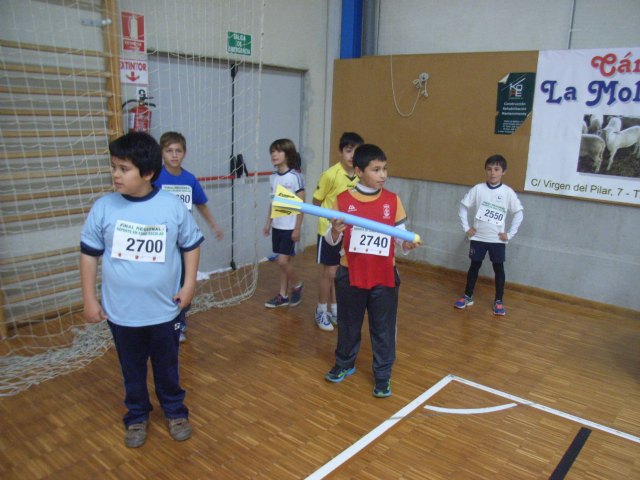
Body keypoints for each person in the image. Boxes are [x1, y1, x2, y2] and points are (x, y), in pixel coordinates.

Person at [80, 131, 204, 448]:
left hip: (165, 310)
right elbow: (89, 255)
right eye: (114, 167)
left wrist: (189, 284)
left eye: (124, 169)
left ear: (147, 173)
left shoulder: (171, 206)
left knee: (167, 367)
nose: (116, 175)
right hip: (122, 313)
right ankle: (136, 417)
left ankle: (175, 412)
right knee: (131, 370)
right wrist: (89, 298)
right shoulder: (104, 208)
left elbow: (191, 245)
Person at [324, 144, 419, 398]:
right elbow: (331, 240)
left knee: (383, 328)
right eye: (376, 169)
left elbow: (400, 237)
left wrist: (406, 243)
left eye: (385, 169)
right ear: (358, 171)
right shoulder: (342, 201)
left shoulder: (392, 200)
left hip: (384, 277)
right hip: (350, 275)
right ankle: (344, 363)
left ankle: (383, 375)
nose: (383, 175)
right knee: (348, 324)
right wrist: (335, 230)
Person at [154, 131, 223, 342]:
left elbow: (201, 204)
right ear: (162, 153)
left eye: (178, 151)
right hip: (161, 240)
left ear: (184, 153)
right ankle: (159, 320)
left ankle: (179, 323)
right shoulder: (155, 177)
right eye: (169, 151)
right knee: (163, 281)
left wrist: (213, 224)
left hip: (183, 242)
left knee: (185, 282)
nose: (174, 155)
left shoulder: (189, 179)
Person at [454, 154, 524, 316]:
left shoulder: (507, 192)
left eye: (497, 169)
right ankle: (468, 296)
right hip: (478, 238)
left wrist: (510, 234)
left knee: (498, 268)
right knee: (474, 266)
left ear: (503, 172)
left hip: (497, 240)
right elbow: (463, 207)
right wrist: (467, 228)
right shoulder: (478, 189)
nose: (493, 173)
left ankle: (499, 300)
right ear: (486, 171)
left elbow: (519, 213)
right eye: (489, 169)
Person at [312, 132, 364, 331]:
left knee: (340, 273)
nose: (351, 155)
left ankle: (334, 309)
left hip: (348, 233)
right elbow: (316, 202)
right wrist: (330, 222)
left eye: (356, 152)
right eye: (348, 151)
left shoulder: (360, 175)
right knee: (329, 272)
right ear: (340, 152)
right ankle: (320, 311)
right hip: (328, 231)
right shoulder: (330, 175)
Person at [263, 138, 305, 308]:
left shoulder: (295, 177)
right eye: (273, 151)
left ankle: (297, 285)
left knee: (282, 261)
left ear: (288, 154)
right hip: (277, 226)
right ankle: (283, 295)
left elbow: (302, 205)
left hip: (290, 227)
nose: (274, 154)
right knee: (285, 263)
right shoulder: (273, 178)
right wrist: (268, 223)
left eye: (279, 151)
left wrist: (297, 228)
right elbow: (273, 203)